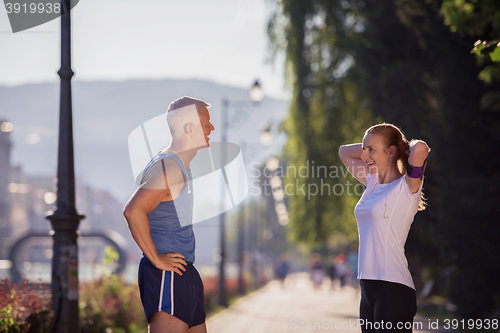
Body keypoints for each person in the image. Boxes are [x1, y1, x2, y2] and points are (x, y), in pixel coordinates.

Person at [123, 96, 215, 333]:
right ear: (189, 128)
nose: (211, 128)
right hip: (168, 273)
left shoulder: (178, 166)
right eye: (207, 123)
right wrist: (155, 258)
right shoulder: (169, 169)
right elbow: (133, 210)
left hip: (183, 272)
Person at [339, 123, 430, 333]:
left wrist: (402, 145)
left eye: (371, 150)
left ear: (391, 151)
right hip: (367, 286)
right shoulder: (372, 183)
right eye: (364, 149)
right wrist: (372, 145)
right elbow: (343, 151)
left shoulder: (407, 187)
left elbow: (421, 149)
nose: (364, 155)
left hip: (393, 287)